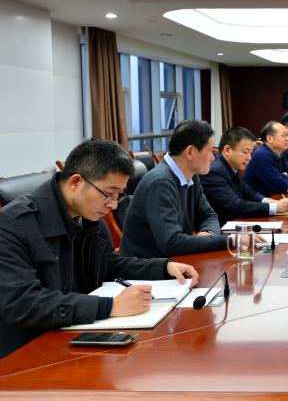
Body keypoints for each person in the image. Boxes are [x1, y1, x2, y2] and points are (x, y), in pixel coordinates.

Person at [0, 139, 198, 359]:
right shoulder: (12, 226)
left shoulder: (89, 218)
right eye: (108, 194)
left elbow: (109, 265)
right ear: (76, 182)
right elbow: (23, 304)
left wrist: (164, 267)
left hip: (76, 337)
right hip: (27, 354)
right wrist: (110, 306)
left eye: (118, 195)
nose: (113, 205)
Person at [121, 119, 227, 258]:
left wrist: (209, 235)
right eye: (209, 152)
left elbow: (208, 215)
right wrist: (230, 240)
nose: (213, 158)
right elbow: (171, 243)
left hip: (174, 262)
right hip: (148, 266)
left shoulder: (191, 176)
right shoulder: (160, 182)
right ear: (190, 152)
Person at [200, 126, 288, 226]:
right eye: (245, 152)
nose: (249, 158)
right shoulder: (215, 171)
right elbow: (234, 206)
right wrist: (273, 207)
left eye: (250, 153)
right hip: (220, 229)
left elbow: (248, 192)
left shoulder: (232, 166)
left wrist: (267, 200)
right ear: (227, 150)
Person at [244, 121, 288, 197]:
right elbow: (280, 186)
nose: (287, 139)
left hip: (274, 197)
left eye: (287, 135)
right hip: (258, 201)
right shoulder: (262, 155)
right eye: (284, 135)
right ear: (270, 138)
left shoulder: (280, 153)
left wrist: (283, 178)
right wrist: (285, 176)